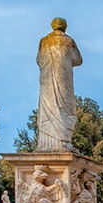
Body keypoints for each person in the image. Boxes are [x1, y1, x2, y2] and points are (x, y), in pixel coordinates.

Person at [36, 17, 82, 151]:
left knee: (48, 105)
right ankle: (63, 142)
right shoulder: (68, 41)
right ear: (65, 27)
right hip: (63, 79)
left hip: (46, 81)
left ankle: (47, 143)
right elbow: (78, 60)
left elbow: (39, 60)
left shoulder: (44, 41)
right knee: (66, 107)